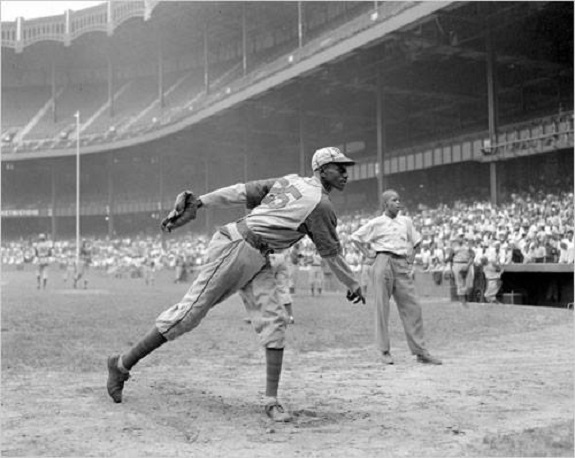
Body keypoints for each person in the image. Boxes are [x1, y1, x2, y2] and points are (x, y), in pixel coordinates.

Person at [106, 146, 366, 422]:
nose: (345, 173)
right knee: (188, 315)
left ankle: (271, 401)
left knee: (275, 320)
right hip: (237, 246)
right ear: (322, 169)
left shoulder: (289, 181)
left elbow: (240, 191)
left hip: (258, 255)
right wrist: (353, 284)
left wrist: (201, 201)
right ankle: (121, 364)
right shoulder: (320, 204)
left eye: (344, 168)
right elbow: (332, 255)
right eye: (339, 167)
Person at [350, 189, 442, 366]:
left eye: (399, 200)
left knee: (413, 306)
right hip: (382, 260)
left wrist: (410, 261)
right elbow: (355, 238)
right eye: (394, 200)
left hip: (401, 262)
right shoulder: (377, 222)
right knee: (382, 307)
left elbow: (416, 242)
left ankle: (421, 352)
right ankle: (384, 351)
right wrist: (368, 254)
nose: (398, 203)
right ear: (386, 204)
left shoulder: (405, 221)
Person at [448, 234, 475, 307]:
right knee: (459, 283)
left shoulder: (467, 247)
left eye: (462, 237)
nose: (460, 239)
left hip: (466, 264)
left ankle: (465, 299)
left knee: (469, 284)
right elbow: (450, 259)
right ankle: (463, 301)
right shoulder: (453, 247)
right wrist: (450, 269)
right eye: (459, 237)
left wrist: (467, 265)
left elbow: (472, 256)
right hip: (457, 264)